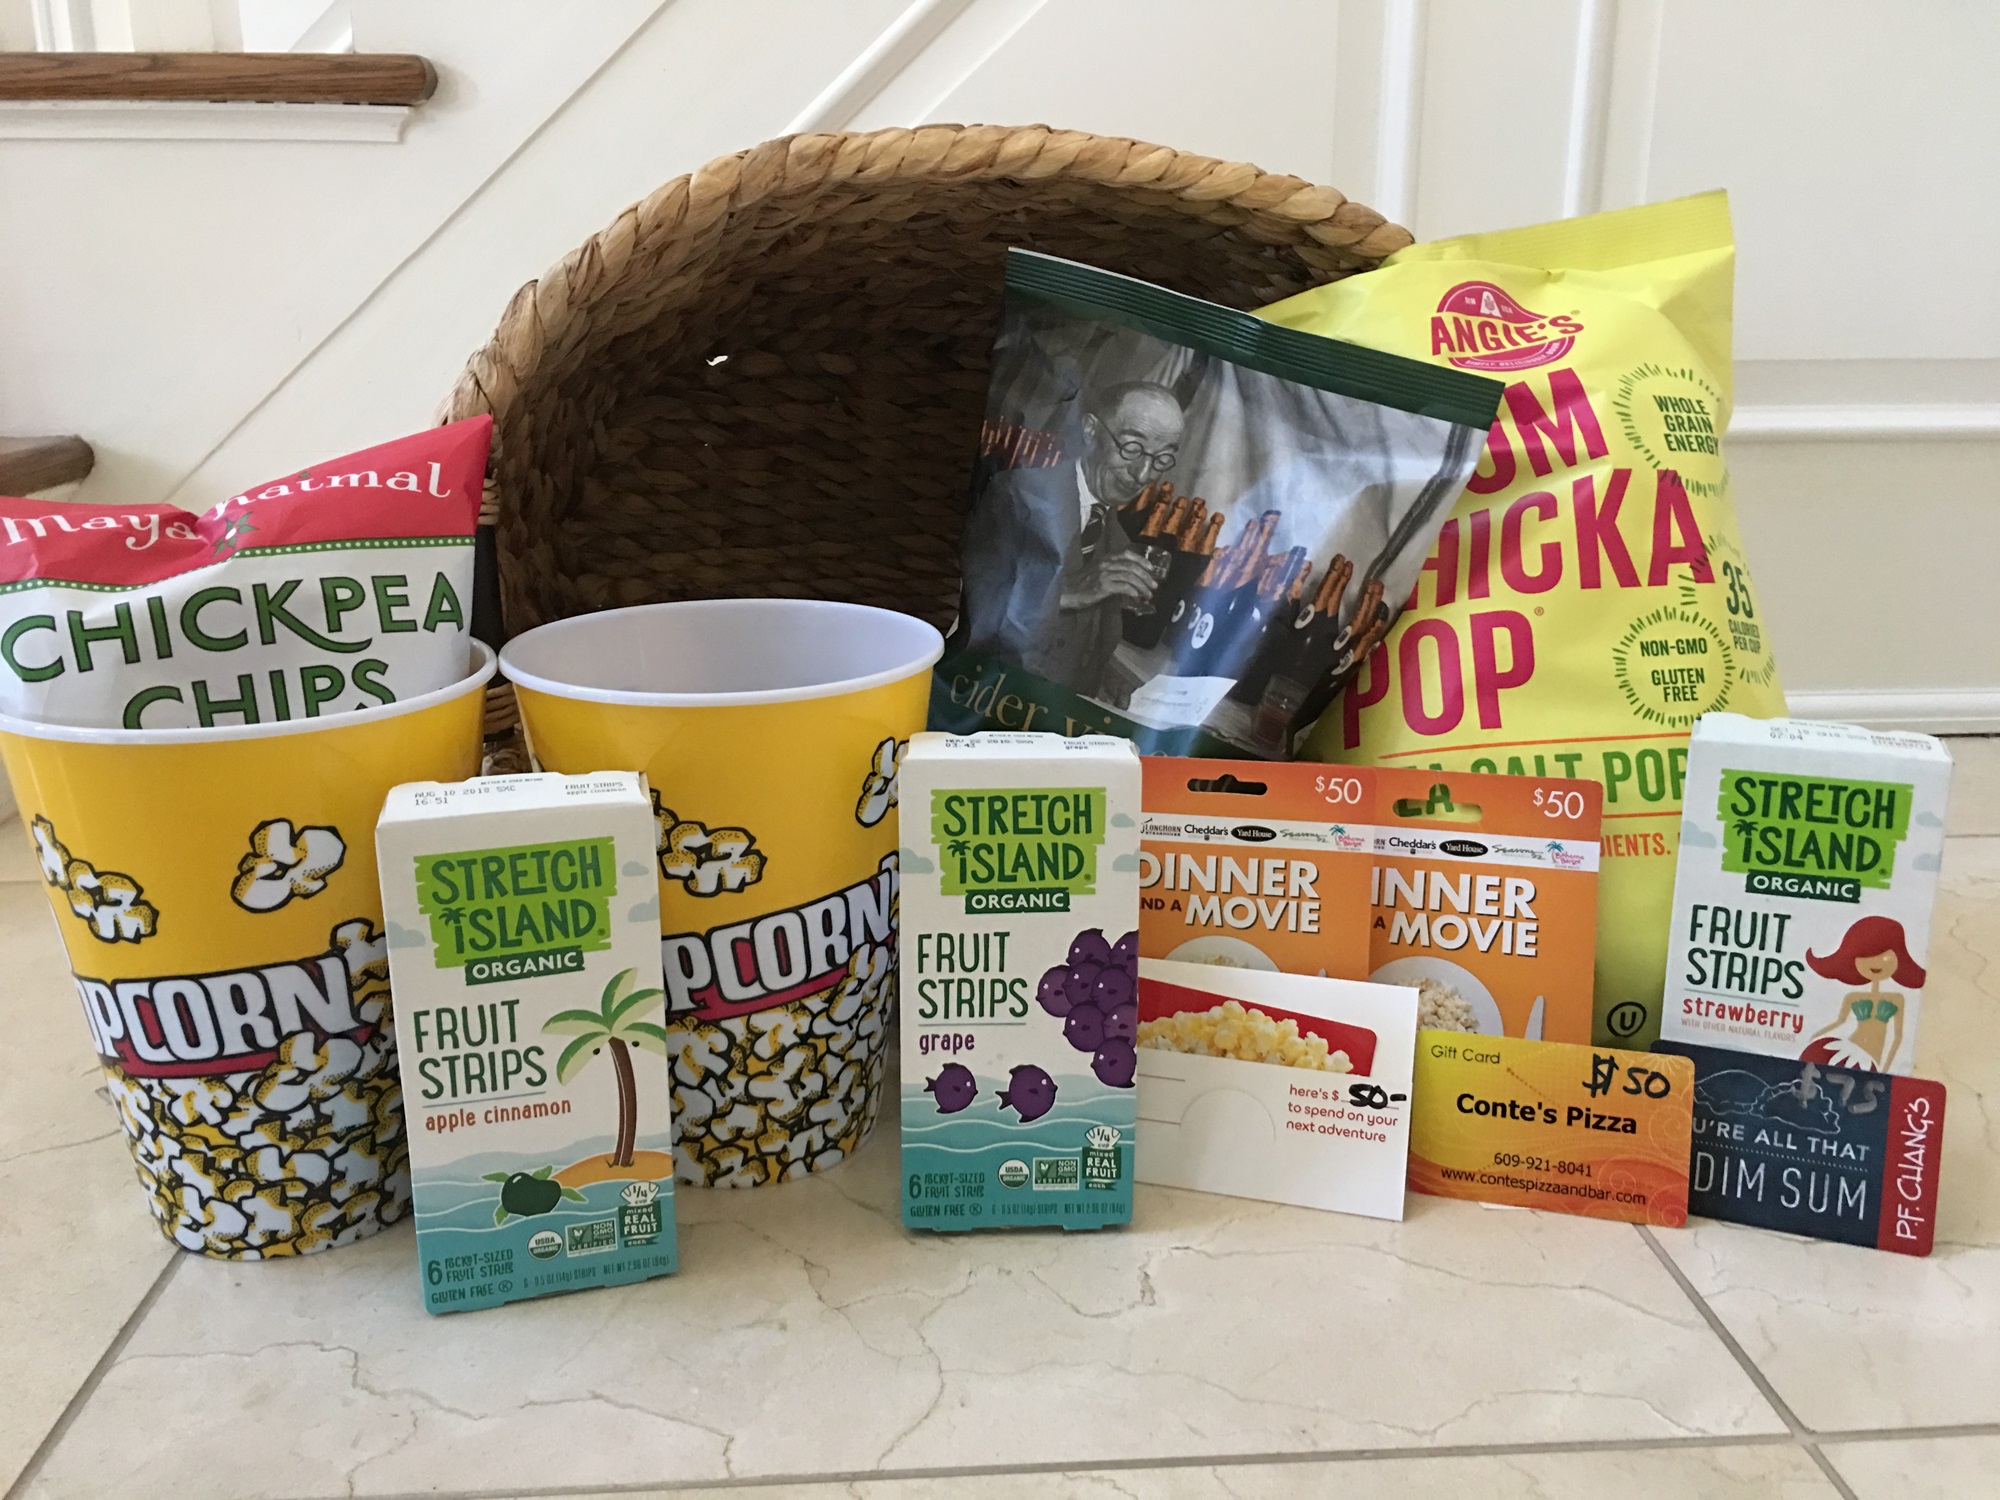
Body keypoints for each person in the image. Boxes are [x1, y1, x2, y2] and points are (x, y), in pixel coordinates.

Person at [958, 381, 1184, 697]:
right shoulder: (1015, 494)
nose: (1144, 474)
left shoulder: (1118, 540)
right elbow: (974, 612)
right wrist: (1071, 593)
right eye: (1132, 448)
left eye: (1162, 459)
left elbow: (1080, 648)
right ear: (1090, 431)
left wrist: (1105, 684)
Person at [1801, 915, 1924, 1072]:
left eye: (1885, 956)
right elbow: (1839, 1022)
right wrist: (1813, 1037)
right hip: (1851, 1047)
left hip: (1873, 1057)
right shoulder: (1853, 997)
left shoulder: (1896, 998)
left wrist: (1886, 1068)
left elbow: (1897, 1037)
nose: (1875, 962)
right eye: (1865, 957)